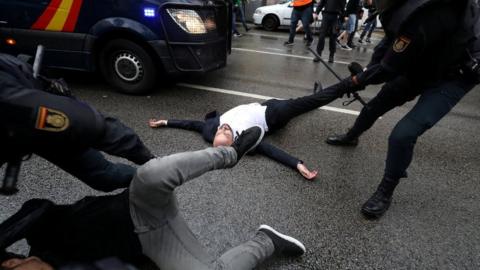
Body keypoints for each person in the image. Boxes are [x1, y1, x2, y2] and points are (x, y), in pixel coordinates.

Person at [0, 127, 307, 270]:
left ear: (13, 263)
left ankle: (230, 152)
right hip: (153, 245)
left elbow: (36, 207)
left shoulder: (40, 236)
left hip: (136, 205)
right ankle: (266, 240)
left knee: (152, 173)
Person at [323, 0, 480, 218]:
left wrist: (359, 80)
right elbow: (388, 43)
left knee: (402, 135)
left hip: (453, 77)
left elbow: (389, 68)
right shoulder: (403, 9)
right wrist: (368, 69)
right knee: (375, 106)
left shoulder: (428, 13)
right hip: (423, 66)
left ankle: (385, 192)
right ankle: (351, 136)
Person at [0, 52, 154, 192]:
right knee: (104, 176)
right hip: (18, 126)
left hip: (23, 121)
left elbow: (89, 125)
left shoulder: (11, 97)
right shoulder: (12, 102)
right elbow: (89, 123)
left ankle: (149, 182)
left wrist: (153, 165)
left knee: (104, 176)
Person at [149, 83, 360, 180]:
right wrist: (298, 164)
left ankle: (316, 96)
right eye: (225, 133)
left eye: (220, 131)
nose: (223, 128)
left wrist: (165, 121)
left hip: (262, 104)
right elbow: (271, 151)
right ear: (233, 142)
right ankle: (349, 84)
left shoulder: (209, 131)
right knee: (306, 104)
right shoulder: (246, 140)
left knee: (305, 104)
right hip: (273, 115)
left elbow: (190, 124)